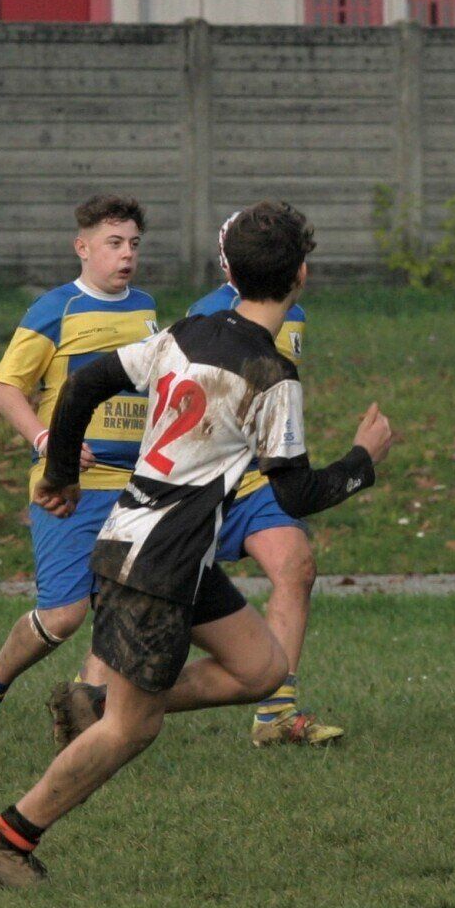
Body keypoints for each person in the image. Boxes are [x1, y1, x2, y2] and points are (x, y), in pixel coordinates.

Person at [0, 201, 393, 887]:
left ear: (233, 272)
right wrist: (364, 459)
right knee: (132, 732)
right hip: (158, 561)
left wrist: (62, 472)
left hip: (165, 549)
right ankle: (3, 841)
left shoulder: (189, 330)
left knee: (260, 671)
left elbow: (86, 382)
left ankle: (107, 703)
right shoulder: (269, 375)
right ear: (301, 274)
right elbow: (296, 494)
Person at [0, 195, 159, 764]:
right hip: (69, 487)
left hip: (135, 485)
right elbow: (2, 388)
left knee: (118, 606)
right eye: (114, 244)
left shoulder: (146, 310)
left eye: (134, 244)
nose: (127, 256)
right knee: (65, 614)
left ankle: (87, 725)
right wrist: (50, 442)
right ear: (82, 247)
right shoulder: (55, 308)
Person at [183, 211, 338, 747]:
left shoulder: (291, 317)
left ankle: (276, 712)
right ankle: (99, 694)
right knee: (163, 599)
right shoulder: (203, 319)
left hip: (257, 479)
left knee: (295, 565)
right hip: (204, 477)